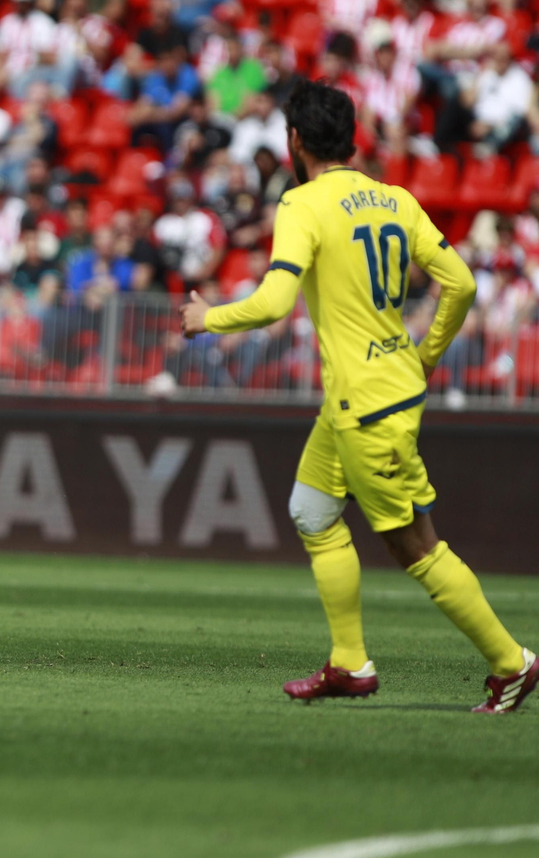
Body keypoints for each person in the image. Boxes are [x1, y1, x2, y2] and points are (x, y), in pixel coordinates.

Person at [181, 78, 535, 714]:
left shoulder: (303, 204)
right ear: (350, 137)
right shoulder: (394, 199)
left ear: (294, 140)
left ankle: (513, 663)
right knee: (312, 511)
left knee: (414, 547)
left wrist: (208, 319)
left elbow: (275, 302)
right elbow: (460, 285)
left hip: (367, 404)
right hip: (371, 392)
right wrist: (423, 357)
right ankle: (350, 662)